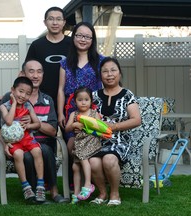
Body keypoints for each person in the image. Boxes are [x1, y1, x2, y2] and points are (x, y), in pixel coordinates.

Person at [0, 59, 68, 203]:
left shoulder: (47, 100)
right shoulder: (9, 98)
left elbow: (53, 131)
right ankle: (32, 192)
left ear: (43, 75)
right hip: (16, 144)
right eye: (31, 71)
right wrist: (4, 144)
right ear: (22, 74)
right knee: (28, 155)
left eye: (39, 72)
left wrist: (34, 124)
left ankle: (53, 191)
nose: (35, 75)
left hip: (39, 142)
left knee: (44, 150)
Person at [57, 21, 105, 187]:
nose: (83, 39)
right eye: (79, 35)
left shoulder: (100, 61)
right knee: (73, 145)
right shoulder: (65, 62)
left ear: (92, 40)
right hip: (71, 112)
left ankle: (91, 185)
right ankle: (79, 184)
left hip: (92, 112)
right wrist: (61, 113)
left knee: (91, 145)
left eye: (87, 36)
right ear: (73, 37)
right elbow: (61, 89)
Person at [89, 56, 141, 206]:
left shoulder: (127, 95)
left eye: (113, 70)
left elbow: (136, 119)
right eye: (105, 71)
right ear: (100, 75)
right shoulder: (94, 96)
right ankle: (102, 193)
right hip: (97, 139)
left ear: (119, 73)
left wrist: (114, 127)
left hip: (119, 139)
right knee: (93, 162)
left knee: (109, 159)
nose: (109, 74)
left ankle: (114, 193)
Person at [0, 76, 45, 202]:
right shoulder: (4, 106)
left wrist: (29, 125)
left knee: (38, 152)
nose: (23, 95)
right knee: (18, 154)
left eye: (27, 93)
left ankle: (40, 184)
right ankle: (26, 186)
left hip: (26, 138)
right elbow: (8, 121)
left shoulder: (28, 106)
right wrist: (14, 103)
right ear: (12, 90)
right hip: (14, 142)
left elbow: (38, 124)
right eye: (21, 91)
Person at [25, 6, 71, 111]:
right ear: (45, 22)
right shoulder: (37, 45)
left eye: (58, 19)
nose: (55, 23)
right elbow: (26, 72)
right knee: (43, 127)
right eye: (51, 19)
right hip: (42, 99)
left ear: (64, 22)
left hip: (69, 98)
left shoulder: (72, 44)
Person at [65, 87, 101, 204]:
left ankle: (87, 185)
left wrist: (86, 125)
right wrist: (75, 124)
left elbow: (99, 127)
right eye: (80, 100)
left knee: (84, 158)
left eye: (86, 99)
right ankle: (76, 193)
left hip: (91, 141)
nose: (83, 102)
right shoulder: (74, 114)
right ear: (75, 101)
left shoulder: (94, 113)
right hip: (79, 143)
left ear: (91, 101)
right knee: (75, 167)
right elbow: (67, 128)